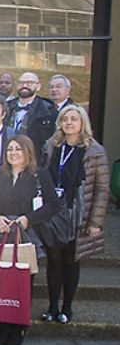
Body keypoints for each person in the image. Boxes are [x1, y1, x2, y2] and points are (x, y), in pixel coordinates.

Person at [0, 135, 62, 345]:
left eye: (18, 149)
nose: (13, 153)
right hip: (2, 234)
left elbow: (52, 205)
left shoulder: (39, 175)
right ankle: (3, 326)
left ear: (28, 152)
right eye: (10, 149)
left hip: (26, 235)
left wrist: (28, 219)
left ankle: (18, 327)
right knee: (1, 282)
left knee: (21, 283)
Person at [40, 105, 110, 323]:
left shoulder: (94, 151)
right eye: (65, 119)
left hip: (78, 214)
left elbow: (101, 189)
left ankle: (67, 308)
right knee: (53, 260)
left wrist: (95, 221)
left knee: (71, 260)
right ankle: (52, 306)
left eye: (74, 119)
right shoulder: (51, 146)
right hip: (53, 212)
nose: (69, 123)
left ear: (83, 123)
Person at [7, 72, 55, 160]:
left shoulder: (48, 111)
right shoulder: (6, 107)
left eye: (29, 83)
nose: (24, 85)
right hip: (7, 158)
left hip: (34, 161)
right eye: (21, 83)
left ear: (38, 86)